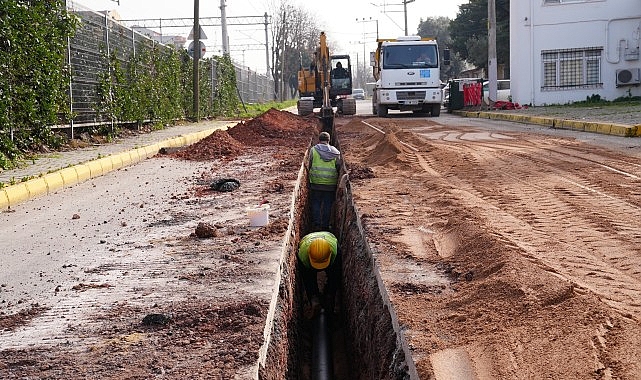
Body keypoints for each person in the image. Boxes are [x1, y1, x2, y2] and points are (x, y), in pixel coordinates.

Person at [297, 231, 340, 317]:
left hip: (329, 237)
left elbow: (334, 277)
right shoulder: (303, 256)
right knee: (310, 280)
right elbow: (308, 281)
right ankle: (315, 303)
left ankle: (329, 304)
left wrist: (330, 295)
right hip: (307, 239)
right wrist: (313, 298)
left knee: (333, 278)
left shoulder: (335, 252)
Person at [308, 131, 340, 231]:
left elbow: (309, 163)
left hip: (315, 182)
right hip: (330, 184)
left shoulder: (313, 150)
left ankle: (316, 224)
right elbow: (338, 167)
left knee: (316, 203)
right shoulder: (335, 152)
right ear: (329, 140)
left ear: (319, 140)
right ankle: (325, 225)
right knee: (327, 205)